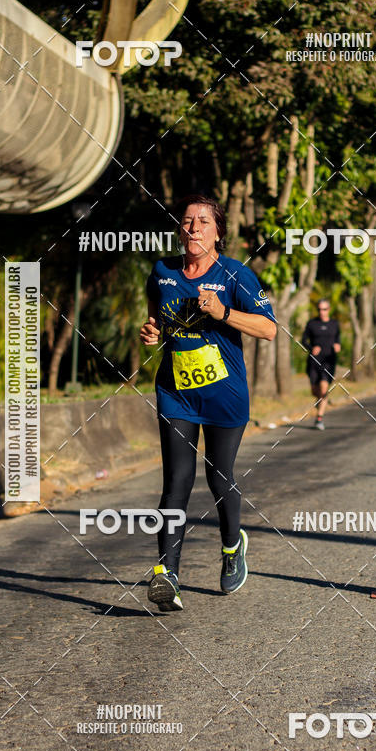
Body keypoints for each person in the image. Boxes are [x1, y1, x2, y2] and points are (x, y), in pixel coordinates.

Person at [140, 195, 276, 611]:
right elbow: (158, 320)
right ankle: (168, 574)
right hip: (176, 392)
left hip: (224, 395)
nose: (194, 228)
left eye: (203, 222)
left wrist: (223, 313)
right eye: (187, 221)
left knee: (219, 476)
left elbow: (269, 329)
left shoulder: (237, 274)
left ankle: (233, 546)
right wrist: (151, 333)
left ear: (218, 231)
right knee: (177, 481)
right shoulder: (162, 272)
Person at [301, 299, 341, 430]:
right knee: (315, 391)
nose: (321, 312)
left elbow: (338, 339)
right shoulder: (312, 323)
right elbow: (303, 340)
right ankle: (320, 400)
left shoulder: (335, 324)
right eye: (319, 309)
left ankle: (319, 418)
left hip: (328, 361)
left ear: (328, 309)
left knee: (324, 389)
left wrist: (337, 346)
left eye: (324, 309)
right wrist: (311, 347)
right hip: (313, 361)